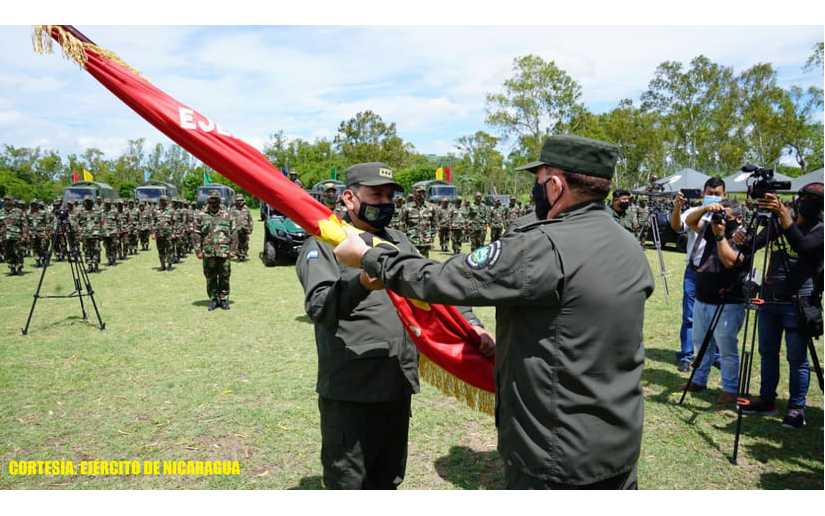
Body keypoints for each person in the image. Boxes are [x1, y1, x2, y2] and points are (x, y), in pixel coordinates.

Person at [334, 135, 654, 489]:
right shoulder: (627, 244)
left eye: (538, 179)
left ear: (556, 184)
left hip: (556, 453)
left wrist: (369, 257)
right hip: (618, 441)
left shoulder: (543, 246)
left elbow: (445, 279)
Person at [296, 162, 492, 490]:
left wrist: (473, 324)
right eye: (376, 194)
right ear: (349, 198)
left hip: (397, 382)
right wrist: (360, 282)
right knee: (350, 483)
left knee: (388, 479)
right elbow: (319, 306)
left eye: (390, 196)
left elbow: (434, 287)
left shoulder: (399, 242)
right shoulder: (324, 245)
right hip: (351, 389)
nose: (385, 202)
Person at [741, 184, 824, 428]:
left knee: (797, 358)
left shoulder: (820, 230)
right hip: (770, 297)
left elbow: (803, 247)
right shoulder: (782, 222)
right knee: (767, 352)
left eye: (814, 200)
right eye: (805, 197)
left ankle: (797, 408)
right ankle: (767, 401)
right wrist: (741, 237)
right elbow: (753, 245)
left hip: (799, 300)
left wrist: (785, 217)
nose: (807, 203)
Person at [681, 199, 751, 406]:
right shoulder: (712, 226)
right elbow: (690, 221)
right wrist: (705, 209)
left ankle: (729, 389)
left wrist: (720, 235)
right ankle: (698, 380)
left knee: (726, 348)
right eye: (719, 213)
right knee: (700, 344)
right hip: (703, 296)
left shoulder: (743, 235)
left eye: (725, 215)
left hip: (728, 301)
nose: (720, 218)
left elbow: (730, 261)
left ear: (738, 218)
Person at [670, 177, 726, 372]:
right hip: (694, 271)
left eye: (717, 194)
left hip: (719, 273)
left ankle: (717, 355)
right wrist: (677, 207)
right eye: (709, 193)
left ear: (724, 195)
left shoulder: (729, 212)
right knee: (690, 316)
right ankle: (687, 355)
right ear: (703, 193)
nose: (712, 197)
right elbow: (677, 227)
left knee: (717, 316)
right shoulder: (693, 212)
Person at [196, 191, 234, 310]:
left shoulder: (227, 215)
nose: (214, 202)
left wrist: (233, 250)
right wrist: (198, 250)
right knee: (210, 276)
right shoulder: (201, 215)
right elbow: (196, 234)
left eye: (216, 200)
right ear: (208, 201)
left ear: (220, 201)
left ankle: (223, 299)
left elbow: (235, 233)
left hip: (224, 251)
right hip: (208, 252)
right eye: (211, 200)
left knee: (225, 276)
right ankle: (213, 298)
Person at [401, 186, 435, 257]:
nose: (421, 194)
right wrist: (404, 238)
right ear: (414, 194)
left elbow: (434, 224)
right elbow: (402, 224)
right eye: (419, 192)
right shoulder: (406, 208)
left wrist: (431, 236)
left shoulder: (430, 207)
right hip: (412, 240)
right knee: (413, 261)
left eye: (423, 192)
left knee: (425, 261)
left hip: (425, 240)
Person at [1, 195, 28, 275]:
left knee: (18, 252)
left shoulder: (19, 211)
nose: (7, 202)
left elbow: (24, 224)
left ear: (13, 201)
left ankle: (19, 266)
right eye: (5, 200)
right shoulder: (1, 212)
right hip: (5, 237)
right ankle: (12, 267)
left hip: (17, 236)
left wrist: (24, 235)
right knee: (8, 252)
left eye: (8, 200)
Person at [77, 196, 102, 272]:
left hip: (95, 235)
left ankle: (96, 265)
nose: (87, 203)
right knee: (86, 251)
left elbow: (101, 223)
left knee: (96, 250)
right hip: (85, 235)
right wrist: (80, 234)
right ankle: (89, 266)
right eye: (86, 202)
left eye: (89, 202)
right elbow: (79, 224)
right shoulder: (81, 213)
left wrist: (101, 234)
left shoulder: (97, 212)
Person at [153, 196, 175, 271]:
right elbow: (154, 222)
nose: (163, 202)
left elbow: (174, 223)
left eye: (164, 200)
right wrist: (153, 233)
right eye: (161, 200)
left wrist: (174, 233)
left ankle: (169, 264)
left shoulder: (171, 211)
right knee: (160, 250)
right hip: (159, 234)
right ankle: (162, 265)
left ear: (167, 201)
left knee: (169, 249)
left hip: (168, 234)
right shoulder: (156, 211)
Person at [230, 196, 253, 261]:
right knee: (235, 242)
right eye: (238, 200)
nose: (240, 202)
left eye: (241, 200)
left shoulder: (246, 209)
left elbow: (250, 219)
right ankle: (236, 254)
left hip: (244, 228)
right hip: (235, 229)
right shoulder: (232, 209)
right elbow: (229, 219)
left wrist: (250, 228)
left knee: (245, 241)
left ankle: (244, 254)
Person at [100, 199, 119, 267]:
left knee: (113, 246)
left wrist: (118, 231)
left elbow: (118, 222)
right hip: (105, 233)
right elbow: (100, 223)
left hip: (113, 232)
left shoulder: (114, 212)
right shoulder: (102, 212)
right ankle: (109, 259)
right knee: (107, 247)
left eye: (108, 204)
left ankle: (113, 259)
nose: (107, 205)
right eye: (106, 204)